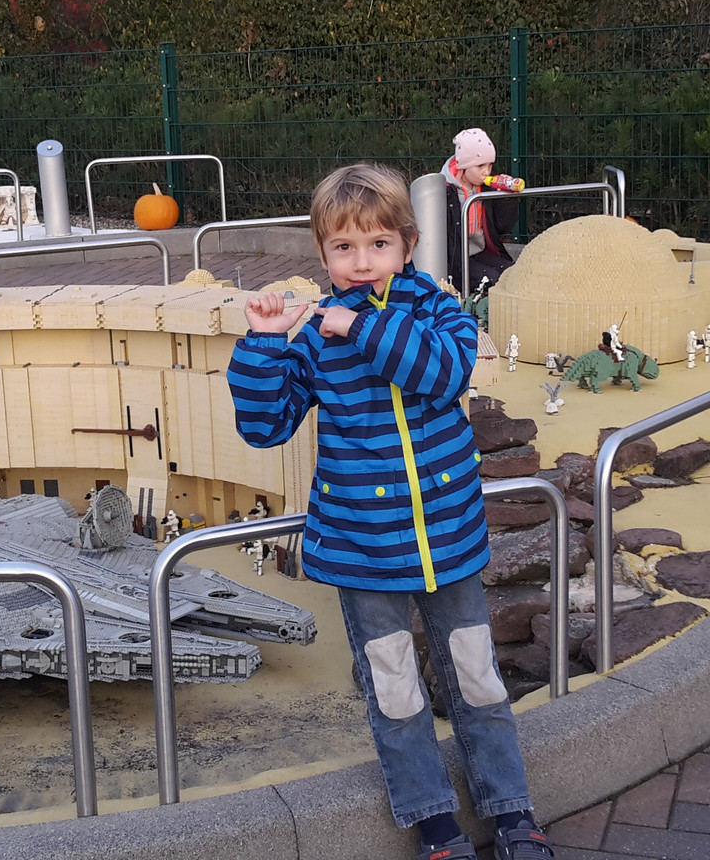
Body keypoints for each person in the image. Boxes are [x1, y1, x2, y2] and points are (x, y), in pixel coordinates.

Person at [227, 163, 554, 860]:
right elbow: (264, 426)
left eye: (378, 244)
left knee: (477, 676)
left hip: (448, 538)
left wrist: (361, 327)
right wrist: (262, 345)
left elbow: (444, 373)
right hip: (364, 548)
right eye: (343, 247)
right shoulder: (312, 335)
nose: (362, 261)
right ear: (322, 255)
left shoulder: (437, 308)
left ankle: (512, 810)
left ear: (407, 245)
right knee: (396, 690)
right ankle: (434, 822)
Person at [441, 127, 518, 292]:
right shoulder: (444, 192)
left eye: (490, 165)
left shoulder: (485, 189)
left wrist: (506, 198)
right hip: (455, 259)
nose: (486, 172)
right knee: (491, 280)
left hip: (481, 251)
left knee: (513, 273)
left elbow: (503, 227)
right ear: (463, 166)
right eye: (480, 166)